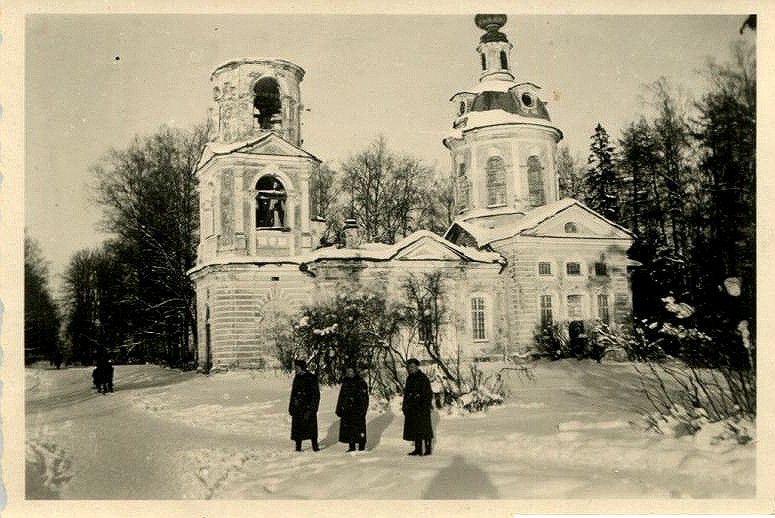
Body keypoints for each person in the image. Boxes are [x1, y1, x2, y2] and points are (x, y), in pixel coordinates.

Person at [402, 358, 434, 456]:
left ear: (417, 367)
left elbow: (428, 394)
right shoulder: (409, 378)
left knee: (425, 429)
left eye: (413, 367)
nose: (411, 369)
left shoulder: (423, 378)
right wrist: (405, 405)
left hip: (422, 408)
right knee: (415, 429)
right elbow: (406, 393)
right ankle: (418, 449)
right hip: (412, 408)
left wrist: (424, 405)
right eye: (409, 367)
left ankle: (428, 450)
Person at [288, 359, 320, 452]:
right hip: (298, 408)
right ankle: (298, 448)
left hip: (308, 408)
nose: (295, 369)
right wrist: (291, 407)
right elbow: (293, 394)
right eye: (295, 368)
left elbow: (316, 395)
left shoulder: (312, 378)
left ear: (302, 368)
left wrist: (313, 409)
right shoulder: (297, 378)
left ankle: (315, 446)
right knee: (298, 429)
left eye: (297, 368)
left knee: (311, 429)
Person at [335, 365, 369, 452]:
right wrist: (339, 408)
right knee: (349, 430)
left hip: (357, 411)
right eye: (348, 371)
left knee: (359, 429)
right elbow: (341, 397)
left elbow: (365, 399)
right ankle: (351, 447)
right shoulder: (345, 382)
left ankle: (361, 447)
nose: (349, 373)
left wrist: (362, 411)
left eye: (351, 371)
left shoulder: (361, 383)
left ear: (354, 372)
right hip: (347, 410)